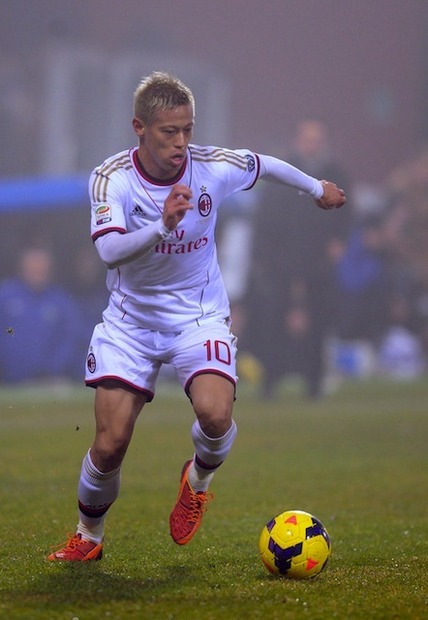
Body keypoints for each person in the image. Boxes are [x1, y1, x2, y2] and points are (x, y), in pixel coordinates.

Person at [47, 72, 346, 562]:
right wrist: (161, 226)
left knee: (215, 413)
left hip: (199, 316)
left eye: (188, 129)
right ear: (139, 128)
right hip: (131, 324)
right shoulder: (111, 178)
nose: (182, 142)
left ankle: (197, 480)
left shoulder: (211, 166)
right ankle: (89, 536)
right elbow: (109, 251)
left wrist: (315, 188)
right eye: (170, 132)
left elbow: (263, 163)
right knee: (109, 445)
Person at [244, 119, 351, 398]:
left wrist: (338, 243)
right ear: (298, 140)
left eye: (316, 139)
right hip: (282, 260)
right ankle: (271, 381)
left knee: (318, 323)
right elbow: (264, 217)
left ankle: (314, 381)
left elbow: (346, 214)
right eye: (307, 139)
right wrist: (263, 256)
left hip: (318, 262)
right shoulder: (281, 173)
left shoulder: (334, 172)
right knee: (274, 321)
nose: (312, 145)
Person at [0, 246, 82, 384]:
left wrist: (51, 368)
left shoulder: (60, 301)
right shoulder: (5, 296)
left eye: (42, 267)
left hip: (49, 381)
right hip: (9, 381)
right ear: (22, 268)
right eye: (33, 267)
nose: (38, 271)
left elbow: (70, 338)